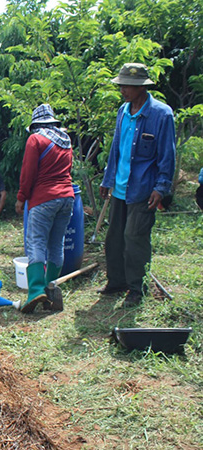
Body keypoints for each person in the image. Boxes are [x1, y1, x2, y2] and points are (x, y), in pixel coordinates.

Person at [98, 63, 176, 308]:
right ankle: (117, 281)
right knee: (114, 238)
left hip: (144, 189)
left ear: (142, 87)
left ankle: (136, 288)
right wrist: (107, 179)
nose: (123, 90)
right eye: (121, 85)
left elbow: (167, 156)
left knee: (135, 238)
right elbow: (116, 149)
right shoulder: (123, 111)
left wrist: (161, 187)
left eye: (128, 86)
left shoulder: (161, 115)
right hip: (120, 188)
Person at [15, 104, 74, 313]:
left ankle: (36, 290)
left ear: (35, 125)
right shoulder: (65, 140)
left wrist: (22, 197)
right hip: (67, 198)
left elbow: (28, 173)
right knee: (56, 244)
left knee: (36, 243)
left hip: (43, 199)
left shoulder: (36, 139)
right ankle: (50, 288)